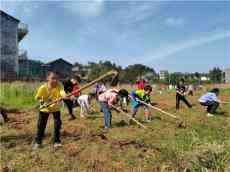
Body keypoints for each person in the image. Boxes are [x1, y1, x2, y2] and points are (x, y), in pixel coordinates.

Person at [33, 72, 64, 149]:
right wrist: (42, 102)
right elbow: (38, 97)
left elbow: (62, 93)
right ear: (48, 79)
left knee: (57, 124)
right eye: (53, 78)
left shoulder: (59, 86)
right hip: (45, 108)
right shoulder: (43, 87)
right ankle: (38, 142)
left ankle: (56, 141)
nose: (55, 80)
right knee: (41, 125)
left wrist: (65, 96)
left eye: (56, 78)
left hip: (55, 108)